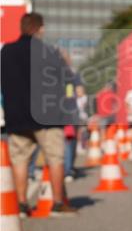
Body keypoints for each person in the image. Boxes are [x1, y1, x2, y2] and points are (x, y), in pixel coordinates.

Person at [0, 13, 77, 215]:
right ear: (40, 29)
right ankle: (58, 204)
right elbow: (66, 80)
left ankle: (22, 205)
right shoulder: (49, 51)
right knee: (55, 159)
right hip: (47, 117)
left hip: (17, 116)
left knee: (20, 161)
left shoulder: (6, 52)